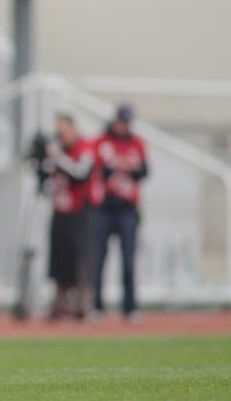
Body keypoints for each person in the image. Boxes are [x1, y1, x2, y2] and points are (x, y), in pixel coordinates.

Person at [93, 104, 148, 323]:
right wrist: (116, 165)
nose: (125, 126)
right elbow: (97, 170)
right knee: (99, 259)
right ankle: (97, 307)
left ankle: (130, 308)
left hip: (127, 209)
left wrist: (130, 168)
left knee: (129, 261)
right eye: (122, 121)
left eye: (128, 122)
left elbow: (144, 171)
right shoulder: (103, 142)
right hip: (105, 207)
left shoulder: (137, 143)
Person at [44, 115, 100, 321]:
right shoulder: (57, 151)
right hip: (60, 212)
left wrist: (58, 157)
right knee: (59, 261)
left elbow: (80, 174)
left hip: (79, 213)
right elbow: (45, 177)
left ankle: (86, 305)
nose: (62, 136)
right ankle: (61, 304)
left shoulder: (84, 149)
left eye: (64, 130)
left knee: (81, 259)